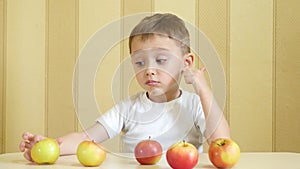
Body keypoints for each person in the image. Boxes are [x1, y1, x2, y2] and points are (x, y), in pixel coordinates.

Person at [19, 13, 230, 161]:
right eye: (140, 62)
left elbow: (222, 142)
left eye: (161, 60)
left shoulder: (193, 105)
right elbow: (85, 138)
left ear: (186, 63)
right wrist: (48, 147)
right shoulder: (128, 108)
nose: (149, 69)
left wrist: (203, 89)